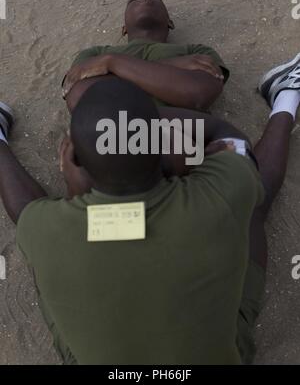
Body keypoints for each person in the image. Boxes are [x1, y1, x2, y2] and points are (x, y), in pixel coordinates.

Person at [0, 54, 299, 364]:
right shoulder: (219, 194)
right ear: (161, 144)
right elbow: (231, 140)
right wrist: (153, 133)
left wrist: (79, 196)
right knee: (250, 206)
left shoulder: (43, 230)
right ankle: (286, 97)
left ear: (73, 161)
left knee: (48, 259)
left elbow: (28, 212)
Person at [62, 0, 228, 111]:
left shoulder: (197, 51)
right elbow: (81, 99)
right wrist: (177, 66)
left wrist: (111, 66)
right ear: (124, 29)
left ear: (170, 22)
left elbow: (198, 94)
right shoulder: (96, 54)